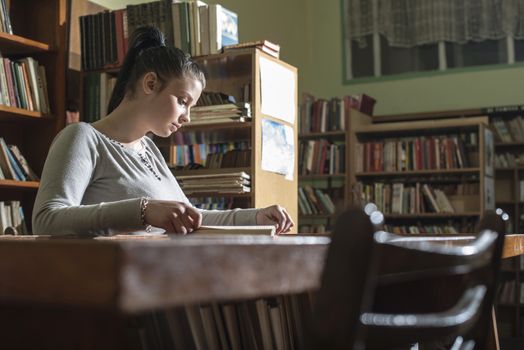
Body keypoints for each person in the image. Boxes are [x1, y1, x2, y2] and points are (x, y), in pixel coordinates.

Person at [32, 26, 294, 236]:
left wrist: (256, 217)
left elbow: (193, 216)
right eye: (182, 101)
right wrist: (143, 211)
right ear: (150, 83)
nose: (187, 117)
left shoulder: (149, 150)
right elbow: (46, 220)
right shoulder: (83, 137)